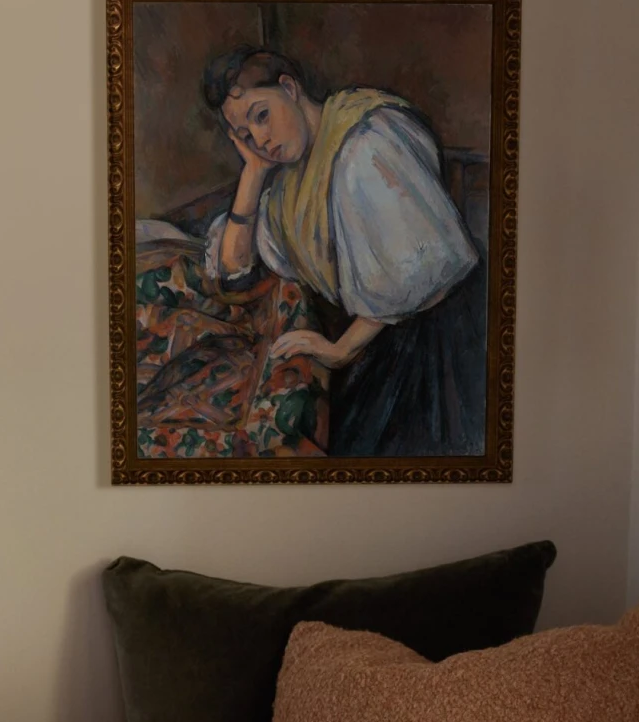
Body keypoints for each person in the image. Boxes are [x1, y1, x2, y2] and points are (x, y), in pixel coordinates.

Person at [202, 45, 488, 458]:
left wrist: (340, 350)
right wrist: (253, 174)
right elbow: (233, 270)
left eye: (262, 116)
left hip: (440, 340)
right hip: (381, 336)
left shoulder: (366, 143)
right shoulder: (287, 185)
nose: (260, 140)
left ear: (289, 88)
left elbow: (422, 272)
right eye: (245, 136)